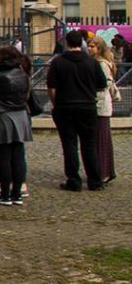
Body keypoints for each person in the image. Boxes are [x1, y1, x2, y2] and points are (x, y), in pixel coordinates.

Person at [46, 30, 108, 192]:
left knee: (69, 145)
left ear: (67, 43)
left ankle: (74, 180)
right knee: (89, 144)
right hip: (87, 106)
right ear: (82, 43)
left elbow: (51, 87)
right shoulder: (91, 63)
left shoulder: (58, 63)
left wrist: (55, 103)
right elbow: (102, 84)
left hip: (65, 106)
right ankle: (95, 181)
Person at [0, 46, 34, 206]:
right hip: (20, 115)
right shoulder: (23, 74)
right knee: (18, 155)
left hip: (3, 115)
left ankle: (5, 194)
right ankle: (16, 193)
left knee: (3, 156)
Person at [87, 36, 119, 184]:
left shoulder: (102, 64)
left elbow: (105, 84)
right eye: (89, 46)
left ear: (99, 48)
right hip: (98, 104)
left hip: (101, 105)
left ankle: (103, 171)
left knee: (101, 139)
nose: (89, 48)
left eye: (92, 46)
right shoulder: (96, 63)